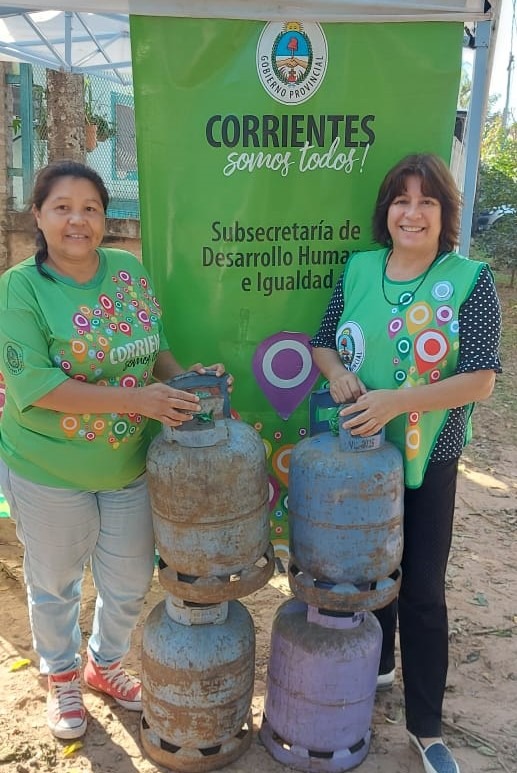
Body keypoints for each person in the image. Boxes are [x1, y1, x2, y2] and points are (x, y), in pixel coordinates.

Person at [0, 160, 231, 742]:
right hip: (48, 468)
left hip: (130, 464)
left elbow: (155, 348)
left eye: (91, 209)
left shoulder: (127, 270)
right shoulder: (19, 288)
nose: (78, 220)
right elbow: (39, 389)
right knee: (55, 583)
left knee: (129, 580)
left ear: (106, 218)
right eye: (62, 207)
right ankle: (61, 678)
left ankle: (103, 667)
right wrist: (143, 404)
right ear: (38, 216)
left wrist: (183, 382)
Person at [310, 153, 501, 773]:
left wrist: (398, 401)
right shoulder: (361, 268)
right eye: (401, 199)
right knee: (372, 574)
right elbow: (321, 338)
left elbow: (479, 382)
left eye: (427, 201)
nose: (412, 212)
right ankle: (382, 668)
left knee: (420, 588)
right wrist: (338, 372)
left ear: (445, 214)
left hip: (428, 457)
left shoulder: (470, 279)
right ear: (385, 212)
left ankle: (426, 728)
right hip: (362, 460)